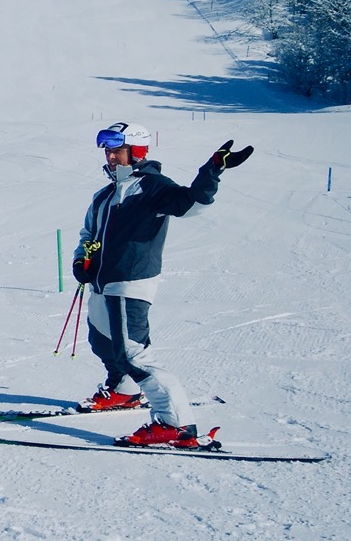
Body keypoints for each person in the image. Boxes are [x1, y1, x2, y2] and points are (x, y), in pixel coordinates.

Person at [72, 122, 252, 447]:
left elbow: (193, 202)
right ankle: (124, 390)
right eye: (108, 151)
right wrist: (81, 259)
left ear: (137, 151)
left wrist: (213, 169)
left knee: (133, 355)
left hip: (130, 283)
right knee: (101, 341)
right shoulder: (104, 195)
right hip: (101, 285)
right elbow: (89, 235)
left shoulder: (153, 187)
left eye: (118, 150)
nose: (111, 157)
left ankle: (176, 424)